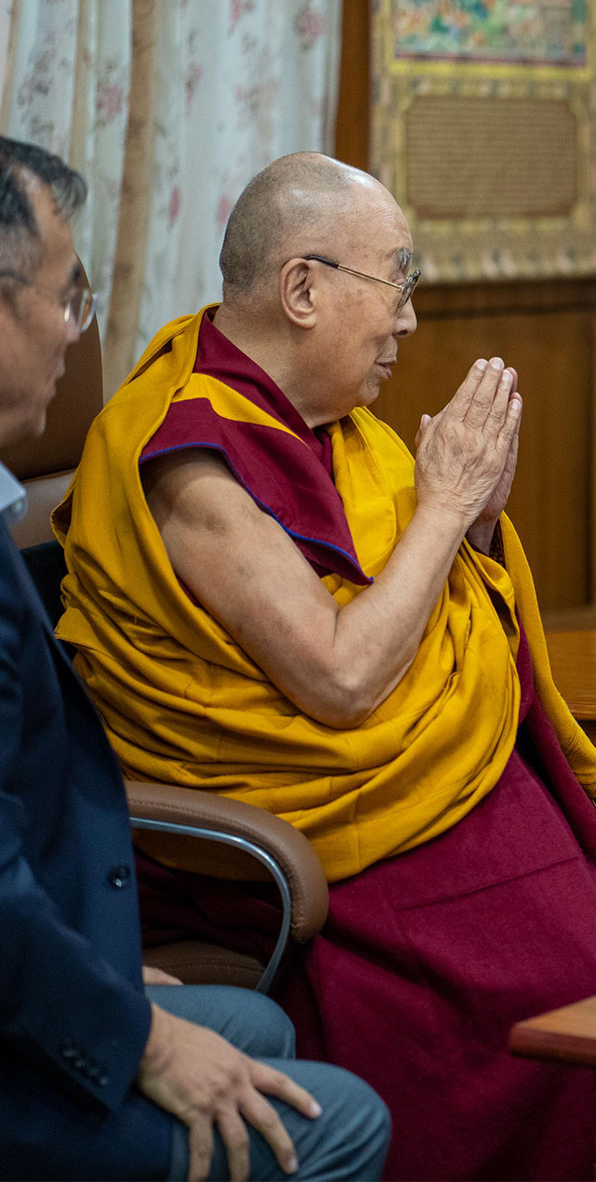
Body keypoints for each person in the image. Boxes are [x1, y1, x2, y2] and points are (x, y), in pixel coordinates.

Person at [53, 152, 596, 1180]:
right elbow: (340, 679)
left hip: (447, 793)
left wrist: (475, 529)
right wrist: (446, 510)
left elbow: (436, 611)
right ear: (304, 289)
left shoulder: (339, 431)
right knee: (578, 1025)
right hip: (336, 827)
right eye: (397, 282)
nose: (408, 320)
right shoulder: (188, 455)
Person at [0, 139, 390, 1181]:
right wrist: (131, 1030)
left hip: (59, 941)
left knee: (256, 1035)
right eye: (66, 296)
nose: (79, 333)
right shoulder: (187, 442)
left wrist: (105, 972)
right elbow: (341, 677)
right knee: (348, 1116)